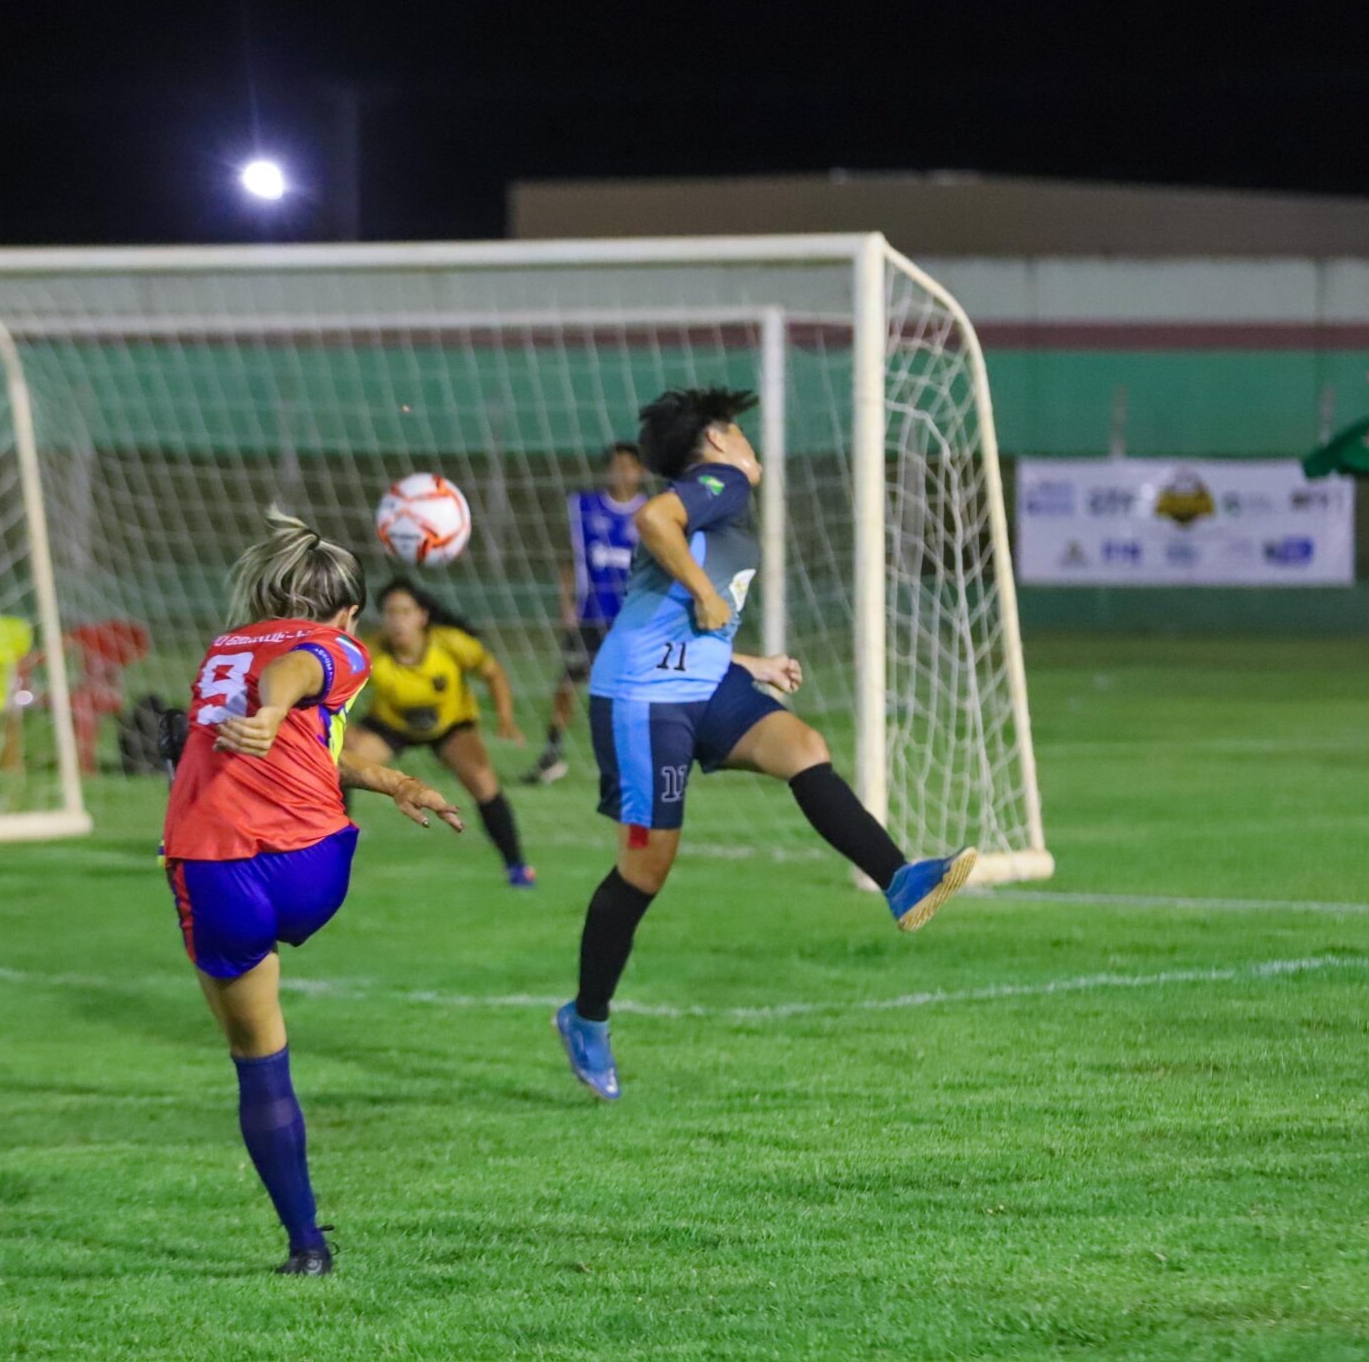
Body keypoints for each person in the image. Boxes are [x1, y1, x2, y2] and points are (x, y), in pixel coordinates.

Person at [554, 388, 978, 1101]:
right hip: (644, 698)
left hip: (702, 679)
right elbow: (653, 521)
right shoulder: (719, 482)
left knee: (801, 745)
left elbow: (675, 617)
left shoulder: (719, 502)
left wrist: (750, 662)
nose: (752, 447)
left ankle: (900, 879)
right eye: (742, 433)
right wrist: (705, 591)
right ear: (719, 439)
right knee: (646, 868)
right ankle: (586, 1016)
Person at [162, 510, 463, 1276]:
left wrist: (266, 711)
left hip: (217, 867)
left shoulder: (227, 649)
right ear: (349, 611)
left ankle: (307, 1244)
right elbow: (301, 695)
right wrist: (390, 777)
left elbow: (289, 674)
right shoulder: (343, 645)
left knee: (257, 1054)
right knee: (259, 1024)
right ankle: (305, 1245)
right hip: (312, 868)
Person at [344, 579, 535, 887]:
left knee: (482, 780)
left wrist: (505, 717)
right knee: (340, 765)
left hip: (450, 725)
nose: (397, 621)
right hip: (390, 725)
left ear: (422, 616)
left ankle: (517, 867)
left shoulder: (450, 643)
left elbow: (493, 673)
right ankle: (333, 854)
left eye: (405, 612)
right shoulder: (370, 652)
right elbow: (337, 685)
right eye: (390, 613)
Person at [524, 441, 647, 785]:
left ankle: (633, 761)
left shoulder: (650, 512)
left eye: (629, 466)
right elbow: (571, 557)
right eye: (616, 466)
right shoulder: (584, 507)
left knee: (630, 691)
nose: (622, 473)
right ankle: (552, 754)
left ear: (641, 472)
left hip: (631, 618)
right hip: (590, 615)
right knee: (567, 683)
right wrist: (567, 602)